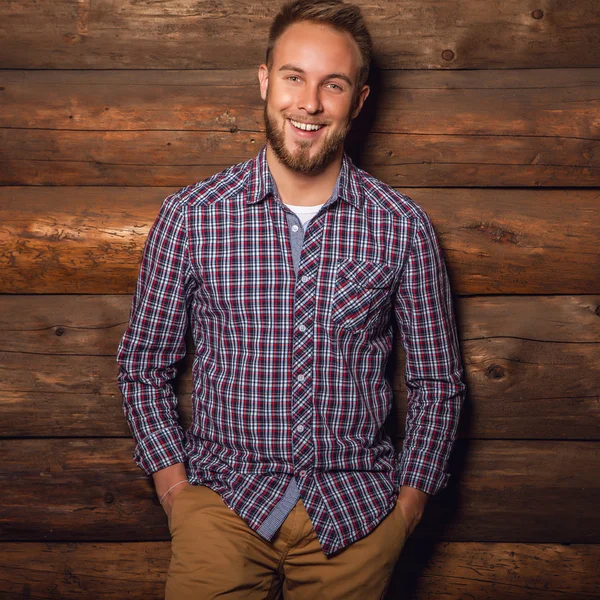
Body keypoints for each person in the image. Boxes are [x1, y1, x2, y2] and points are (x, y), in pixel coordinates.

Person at [117, 1, 465, 598]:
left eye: (332, 85)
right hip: (223, 506)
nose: (309, 103)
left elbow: (438, 383)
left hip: (357, 514)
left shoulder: (402, 227)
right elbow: (142, 368)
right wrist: (177, 494)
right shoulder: (193, 218)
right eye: (293, 77)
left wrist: (407, 511)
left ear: (357, 101)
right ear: (264, 81)